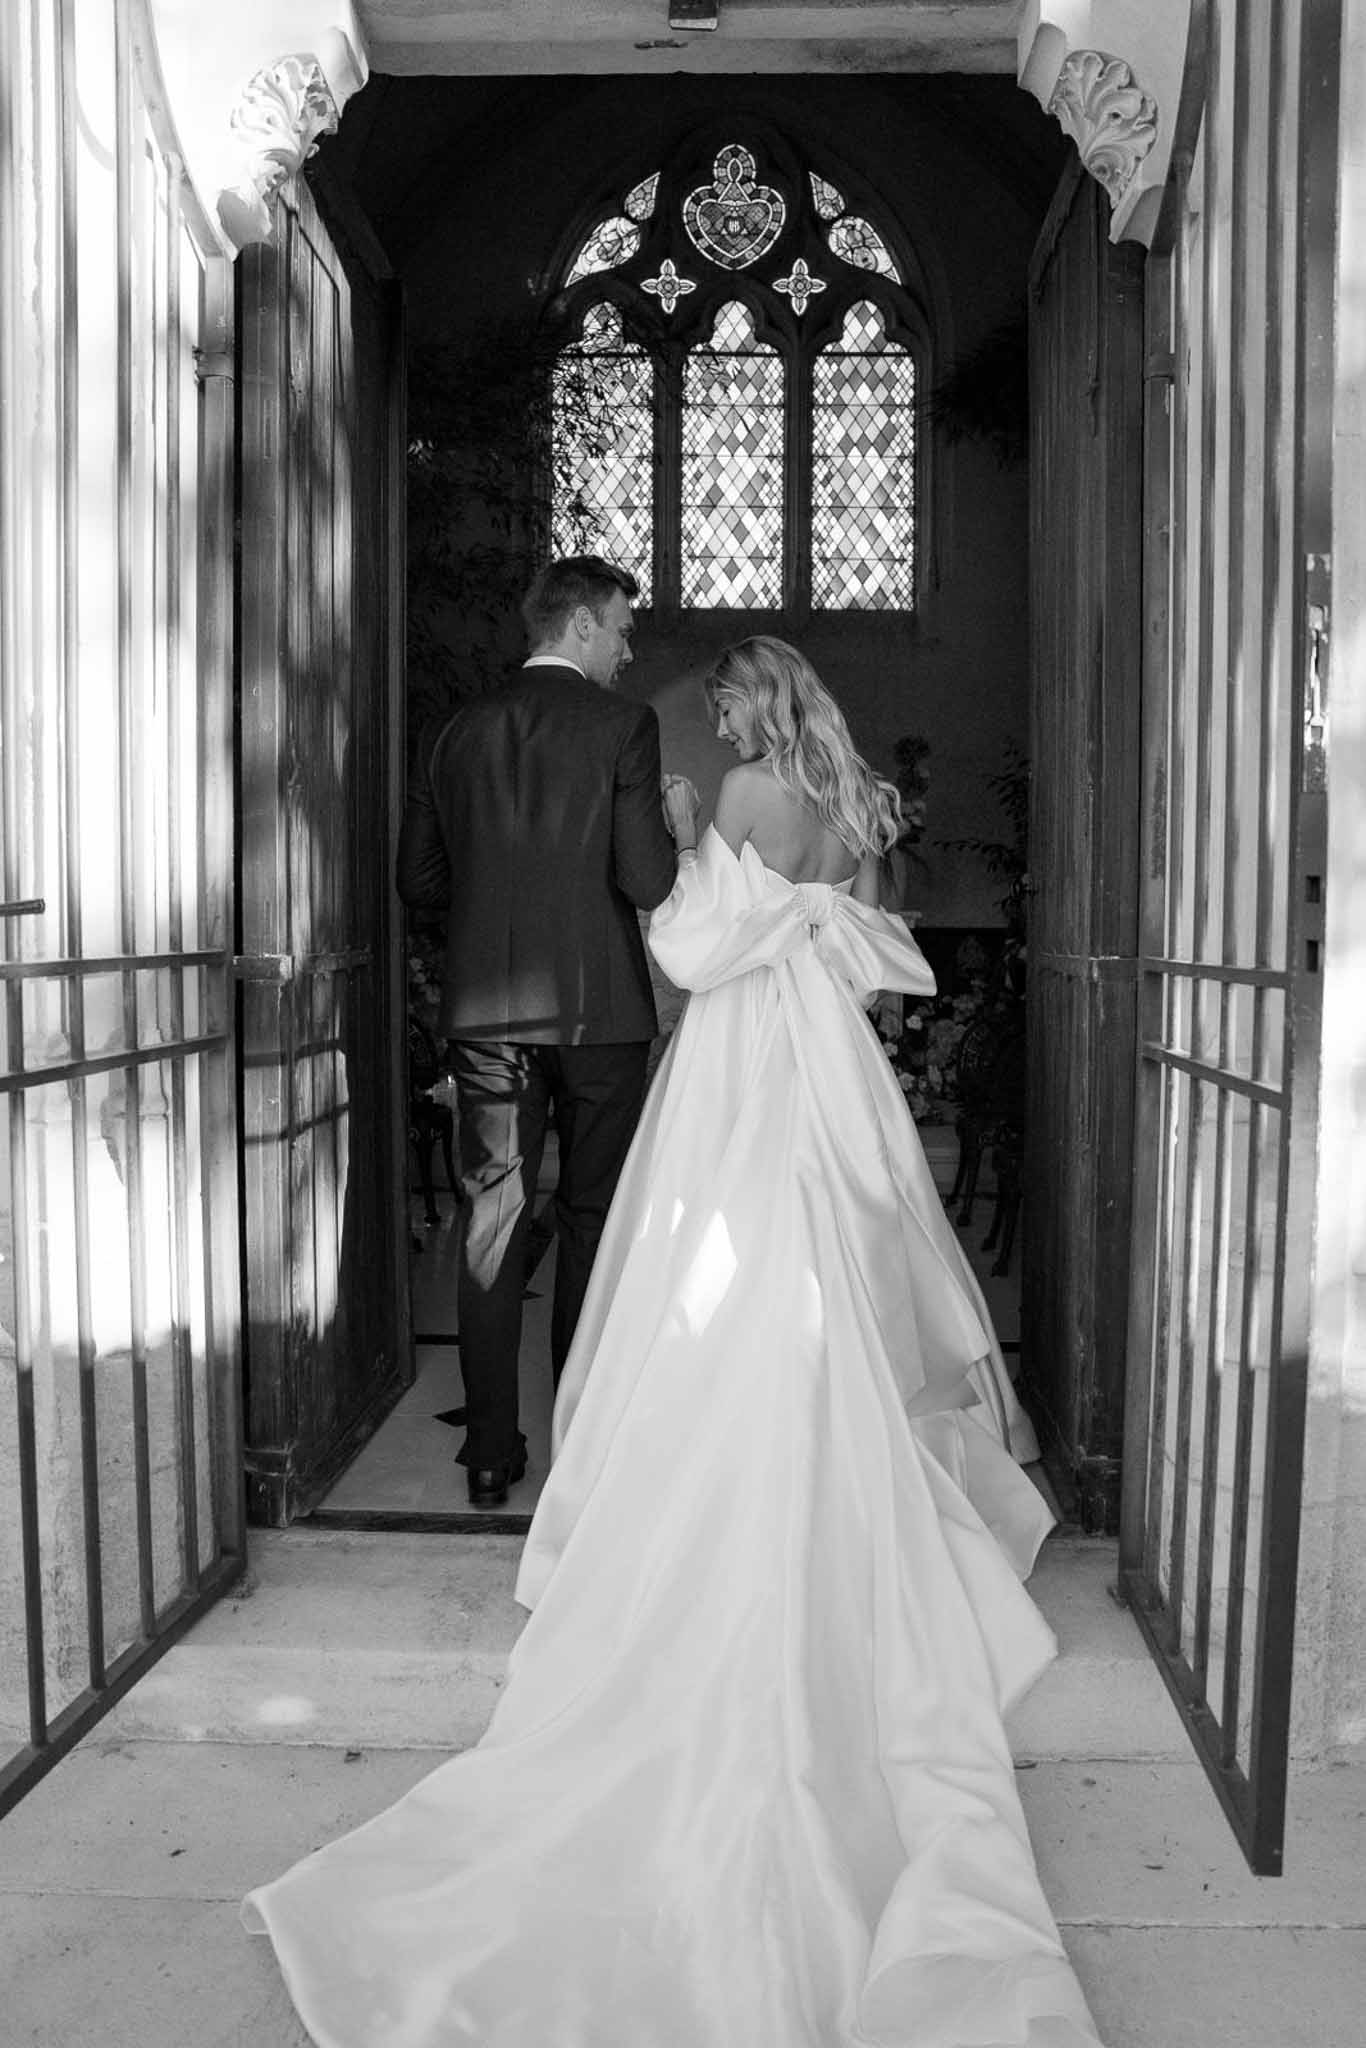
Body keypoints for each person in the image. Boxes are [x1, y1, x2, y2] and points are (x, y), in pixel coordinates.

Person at [246, 636, 1103, 2047]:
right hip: (830, 1068)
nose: (710, 726)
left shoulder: (757, 794)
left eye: (721, 710)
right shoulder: (859, 804)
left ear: (756, 712)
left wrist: (697, 846)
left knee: (727, 1264)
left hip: (746, 1067)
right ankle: (842, 1452)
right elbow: (859, 952)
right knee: (830, 1261)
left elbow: (693, 951)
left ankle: (728, 1461)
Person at [396, 556, 682, 1508]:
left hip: (483, 1018)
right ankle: (581, 1444)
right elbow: (648, 882)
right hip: (600, 1015)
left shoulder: (455, 731)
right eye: (624, 631)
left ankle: (487, 1454)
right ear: (584, 626)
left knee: (492, 1217)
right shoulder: (622, 728)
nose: (629, 652)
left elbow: (420, 884)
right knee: (593, 1219)